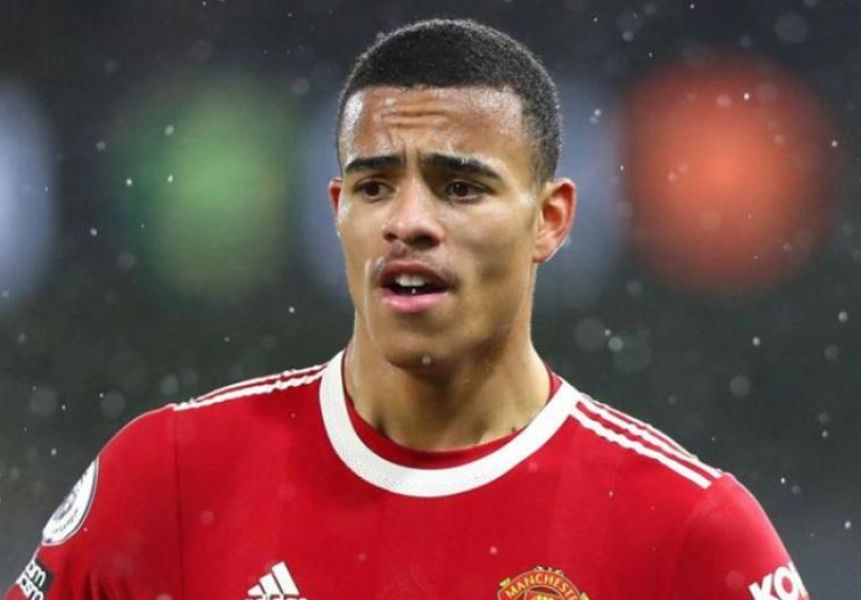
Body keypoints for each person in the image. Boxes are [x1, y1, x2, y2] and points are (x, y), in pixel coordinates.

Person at [6, 18, 810, 600]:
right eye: (376, 186)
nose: (409, 221)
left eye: (460, 187)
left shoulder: (687, 530)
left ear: (550, 220)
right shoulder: (173, 474)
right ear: (336, 211)